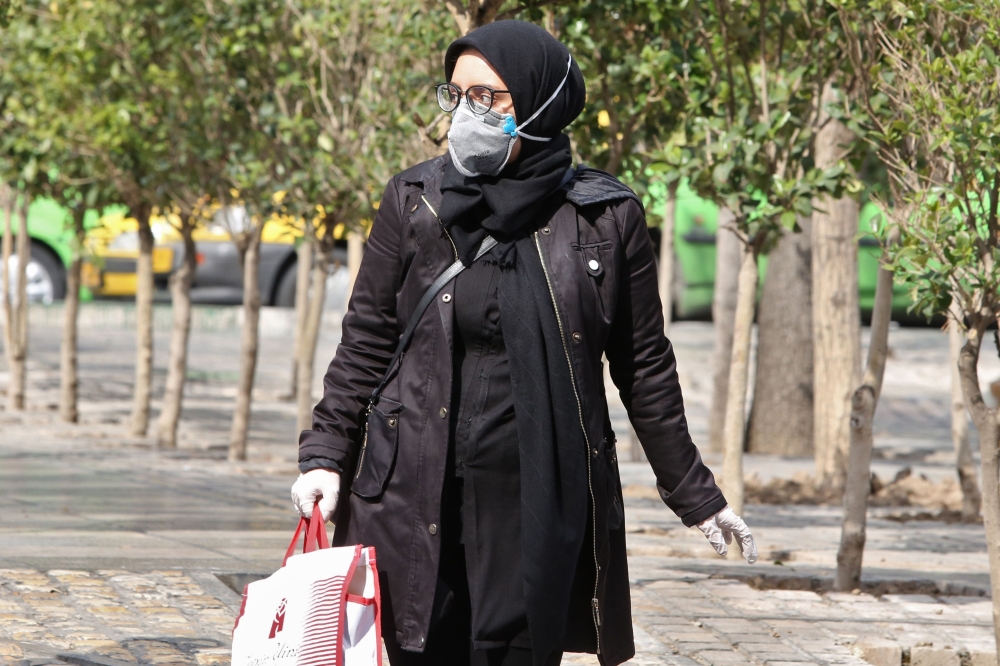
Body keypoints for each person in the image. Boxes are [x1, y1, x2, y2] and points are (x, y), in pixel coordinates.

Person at [290, 19, 757, 666]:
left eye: (487, 98)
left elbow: (643, 366)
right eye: (455, 95)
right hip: (412, 489)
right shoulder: (416, 202)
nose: (465, 114)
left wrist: (696, 494)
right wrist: (324, 456)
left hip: (536, 501)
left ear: (539, 102)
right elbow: (368, 339)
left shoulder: (604, 217)